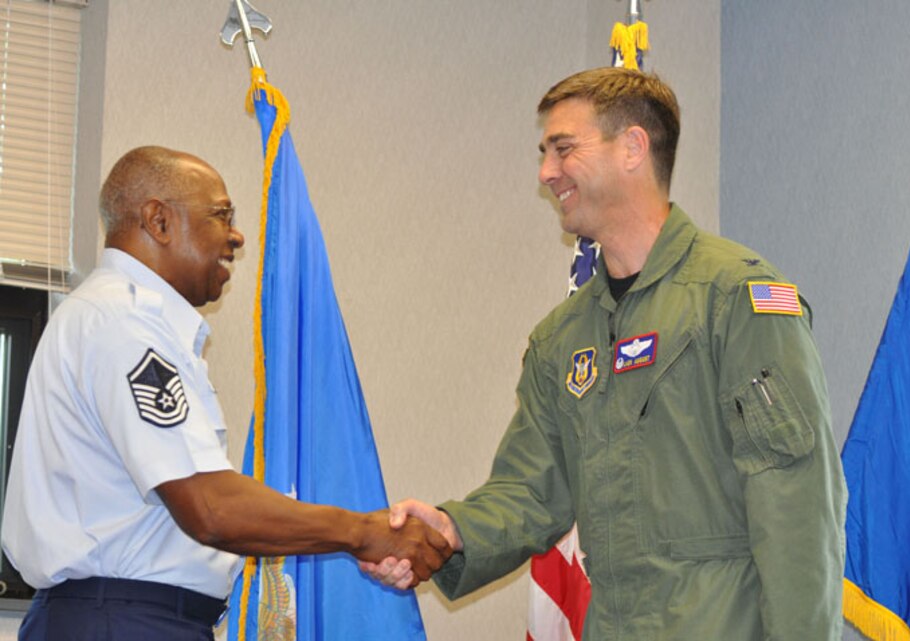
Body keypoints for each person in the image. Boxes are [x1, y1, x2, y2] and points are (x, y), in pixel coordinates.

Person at [363, 67, 847, 640]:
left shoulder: (736, 300)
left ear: (633, 147)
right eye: (545, 153)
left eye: (563, 149)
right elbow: (530, 492)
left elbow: (796, 509)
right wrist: (449, 530)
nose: (546, 173)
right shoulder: (561, 340)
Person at [1, 146, 451, 641]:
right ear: (159, 220)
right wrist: (361, 532)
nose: (236, 235)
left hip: (132, 617)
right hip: (120, 621)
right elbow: (210, 508)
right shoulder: (123, 323)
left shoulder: (122, 321)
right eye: (220, 215)